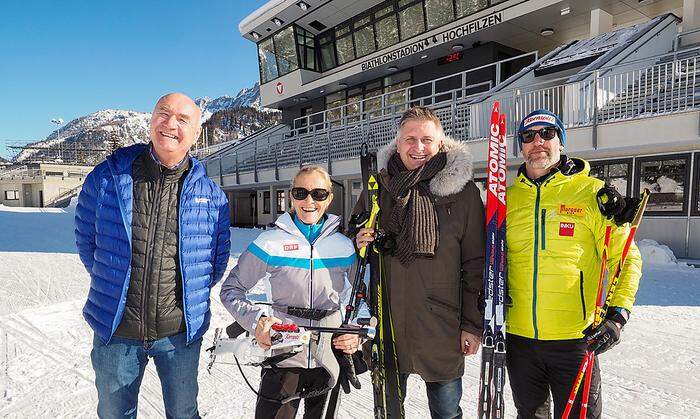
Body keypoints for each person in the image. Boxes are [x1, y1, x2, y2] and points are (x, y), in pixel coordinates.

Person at [75, 92, 231, 418]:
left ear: (197, 133)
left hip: (179, 336)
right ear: (151, 120)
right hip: (117, 332)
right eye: (163, 113)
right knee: (115, 414)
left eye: (182, 119)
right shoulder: (107, 178)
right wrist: (114, 279)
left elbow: (215, 263)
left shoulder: (212, 195)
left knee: (184, 414)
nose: (170, 124)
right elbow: (87, 241)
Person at [505, 109, 643, 418]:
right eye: (528, 136)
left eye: (547, 133)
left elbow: (627, 259)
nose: (537, 141)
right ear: (521, 146)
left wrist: (617, 315)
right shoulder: (507, 200)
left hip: (576, 338)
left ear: (561, 141)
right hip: (520, 338)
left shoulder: (592, 194)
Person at [354, 106, 485, 418]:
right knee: (387, 412)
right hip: (387, 322)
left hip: (442, 324)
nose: (418, 147)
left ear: (440, 143)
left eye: (427, 139)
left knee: (446, 413)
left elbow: (476, 263)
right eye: (410, 139)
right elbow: (354, 236)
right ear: (397, 144)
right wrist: (357, 240)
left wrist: (471, 324)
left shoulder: (463, 193)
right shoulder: (378, 188)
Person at [220, 165, 358, 419]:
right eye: (301, 192)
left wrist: (356, 333)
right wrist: (257, 321)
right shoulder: (270, 242)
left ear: (329, 197)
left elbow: (364, 298)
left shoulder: (344, 246)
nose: (309, 201)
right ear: (291, 196)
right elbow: (231, 290)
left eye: (318, 193)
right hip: (284, 353)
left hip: (328, 355)